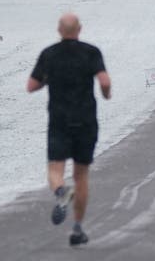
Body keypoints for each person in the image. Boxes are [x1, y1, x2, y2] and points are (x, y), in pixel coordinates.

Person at [28, 13, 112, 248]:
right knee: (81, 174)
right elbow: (104, 82)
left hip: (59, 120)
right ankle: (77, 228)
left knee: (55, 167)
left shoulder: (49, 54)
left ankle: (60, 192)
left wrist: (49, 79)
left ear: (59, 30)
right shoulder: (91, 52)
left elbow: (31, 86)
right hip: (85, 120)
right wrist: (106, 94)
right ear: (80, 29)